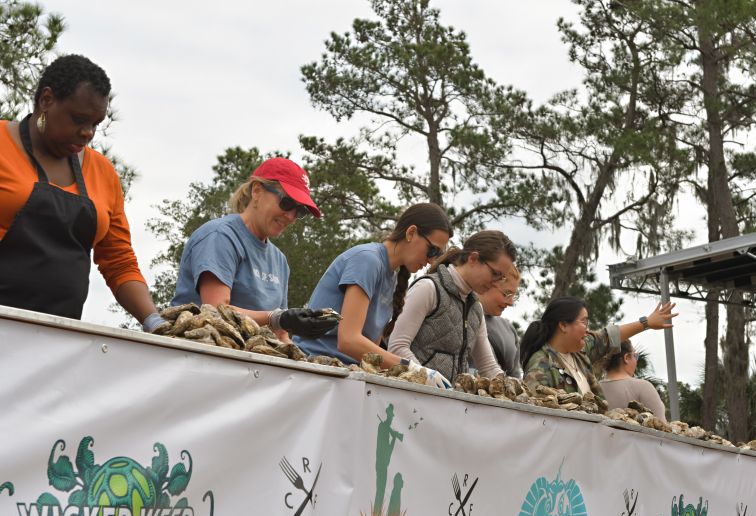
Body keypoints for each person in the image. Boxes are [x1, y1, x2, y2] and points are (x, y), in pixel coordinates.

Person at [0, 54, 162, 330]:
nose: (88, 133)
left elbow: (118, 260)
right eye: (79, 119)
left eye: (96, 124)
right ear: (47, 100)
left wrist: (154, 320)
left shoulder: (103, 172)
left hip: (58, 337)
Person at [171, 157, 339, 341]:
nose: (291, 216)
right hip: (200, 352)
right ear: (257, 191)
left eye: (299, 211)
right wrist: (276, 318)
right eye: (287, 203)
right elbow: (215, 311)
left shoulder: (279, 261)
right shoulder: (220, 236)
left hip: (251, 361)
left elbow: (280, 334)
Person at [295, 203, 453, 387]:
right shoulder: (367, 260)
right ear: (411, 233)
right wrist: (411, 368)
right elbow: (348, 341)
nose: (431, 260)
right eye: (432, 250)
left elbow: (370, 351)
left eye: (438, 255)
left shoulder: (392, 277)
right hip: (312, 372)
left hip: (343, 377)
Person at [387, 230, 516, 383]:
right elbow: (396, 347)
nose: (497, 283)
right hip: (409, 399)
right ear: (473, 258)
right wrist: (426, 378)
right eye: (495, 273)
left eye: (501, 278)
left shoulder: (476, 308)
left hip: (448, 403)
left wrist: (511, 388)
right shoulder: (428, 288)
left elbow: (488, 367)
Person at [520, 297, 678, 397]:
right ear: (563, 325)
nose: (587, 329)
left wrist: (647, 323)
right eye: (584, 322)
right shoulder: (541, 364)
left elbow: (609, 336)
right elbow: (536, 414)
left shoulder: (580, 352)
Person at [600, 340, 667, 421]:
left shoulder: (592, 388)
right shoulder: (643, 387)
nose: (636, 361)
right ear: (627, 358)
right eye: (635, 356)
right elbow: (661, 427)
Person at [477, 264, 522, 378]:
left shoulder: (509, 329)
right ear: (487, 284)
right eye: (507, 294)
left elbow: (516, 378)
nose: (511, 303)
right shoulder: (460, 316)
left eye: (514, 296)